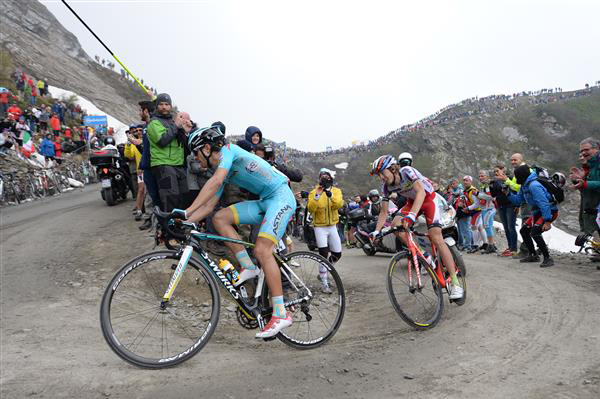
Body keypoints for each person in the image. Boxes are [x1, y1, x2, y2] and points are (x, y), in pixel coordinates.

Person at [183, 127, 297, 338]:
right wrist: (185, 221)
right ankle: (248, 266)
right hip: (265, 201)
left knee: (263, 250)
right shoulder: (223, 170)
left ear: (207, 148)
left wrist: (186, 210)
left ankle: (281, 313)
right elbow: (208, 207)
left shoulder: (228, 151)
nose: (196, 159)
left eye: (196, 153)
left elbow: (215, 182)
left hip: (281, 197)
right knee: (219, 217)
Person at [370, 155, 464, 300]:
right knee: (395, 225)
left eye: (382, 173)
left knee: (436, 236)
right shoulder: (386, 187)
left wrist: (412, 215)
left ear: (392, 168)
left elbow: (421, 192)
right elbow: (383, 211)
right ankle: (423, 254)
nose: (381, 177)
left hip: (429, 199)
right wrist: (376, 231)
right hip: (412, 202)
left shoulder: (407, 171)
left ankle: (456, 283)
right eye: (379, 175)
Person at [508, 164, 558, 267]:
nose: (516, 179)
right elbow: (518, 200)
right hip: (537, 212)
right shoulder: (525, 185)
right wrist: (508, 194)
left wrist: (547, 221)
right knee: (524, 231)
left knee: (535, 232)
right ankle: (533, 255)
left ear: (522, 176)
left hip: (549, 211)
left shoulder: (534, 186)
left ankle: (548, 258)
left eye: (517, 176)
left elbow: (543, 203)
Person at [147, 93, 187, 212]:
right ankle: (169, 227)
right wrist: (176, 126)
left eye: (167, 104)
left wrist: (185, 130)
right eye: (161, 104)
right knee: (170, 197)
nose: (164, 107)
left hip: (178, 164)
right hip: (163, 164)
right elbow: (162, 140)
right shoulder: (154, 123)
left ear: (170, 106)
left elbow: (183, 143)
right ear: (157, 106)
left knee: (184, 194)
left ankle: (181, 224)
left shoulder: (172, 121)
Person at [307, 168, 344, 294]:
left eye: (327, 177)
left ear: (331, 179)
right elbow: (311, 209)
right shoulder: (314, 192)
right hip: (319, 227)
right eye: (322, 178)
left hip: (332, 226)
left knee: (337, 254)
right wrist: (318, 195)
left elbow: (338, 205)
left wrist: (330, 194)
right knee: (323, 254)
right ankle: (324, 281)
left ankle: (324, 270)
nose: (325, 179)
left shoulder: (336, 191)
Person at [138, 100, 161, 230]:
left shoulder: (153, 125)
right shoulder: (146, 127)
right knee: (151, 195)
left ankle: (159, 223)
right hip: (147, 167)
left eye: (140, 110)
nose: (139, 113)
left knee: (156, 196)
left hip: (155, 167)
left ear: (146, 111)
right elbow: (146, 149)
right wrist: (142, 165)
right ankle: (153, 221)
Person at [493, 165, 519, 256]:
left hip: (511, 205)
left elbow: (516, 190)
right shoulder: (495, 181)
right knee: (506, 227)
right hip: (501, 206)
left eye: (498, 170)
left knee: (511, 227)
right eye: (495, 171)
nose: (496, 172)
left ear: (503, 170)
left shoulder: (510, 178)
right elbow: (494, 194)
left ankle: (514, 249)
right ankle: (510, 247)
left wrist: (517, 204)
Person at [460, 175, 486, 253]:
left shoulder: (473, 190)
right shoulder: (465, 190)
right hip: (473, 211)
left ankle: (475, 245)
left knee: (473, 226)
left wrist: (467, 208)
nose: (465, 182)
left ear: (470, 182)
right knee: (480, 227)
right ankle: (485, 244)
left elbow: (476, 204)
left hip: (477, 211)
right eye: (464, 180)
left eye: (467, 180)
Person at [477, 170, 498, 253]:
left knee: (487, 226)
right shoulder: (483, 185)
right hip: (485, 208)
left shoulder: (489, 185)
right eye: (479, 176)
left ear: (487, 176)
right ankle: (492, 245)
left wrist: (478, 194)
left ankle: (491, 246)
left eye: (482, 176)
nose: (480, 177)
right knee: (488, 226)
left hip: (490, 208)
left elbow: (490, 197)